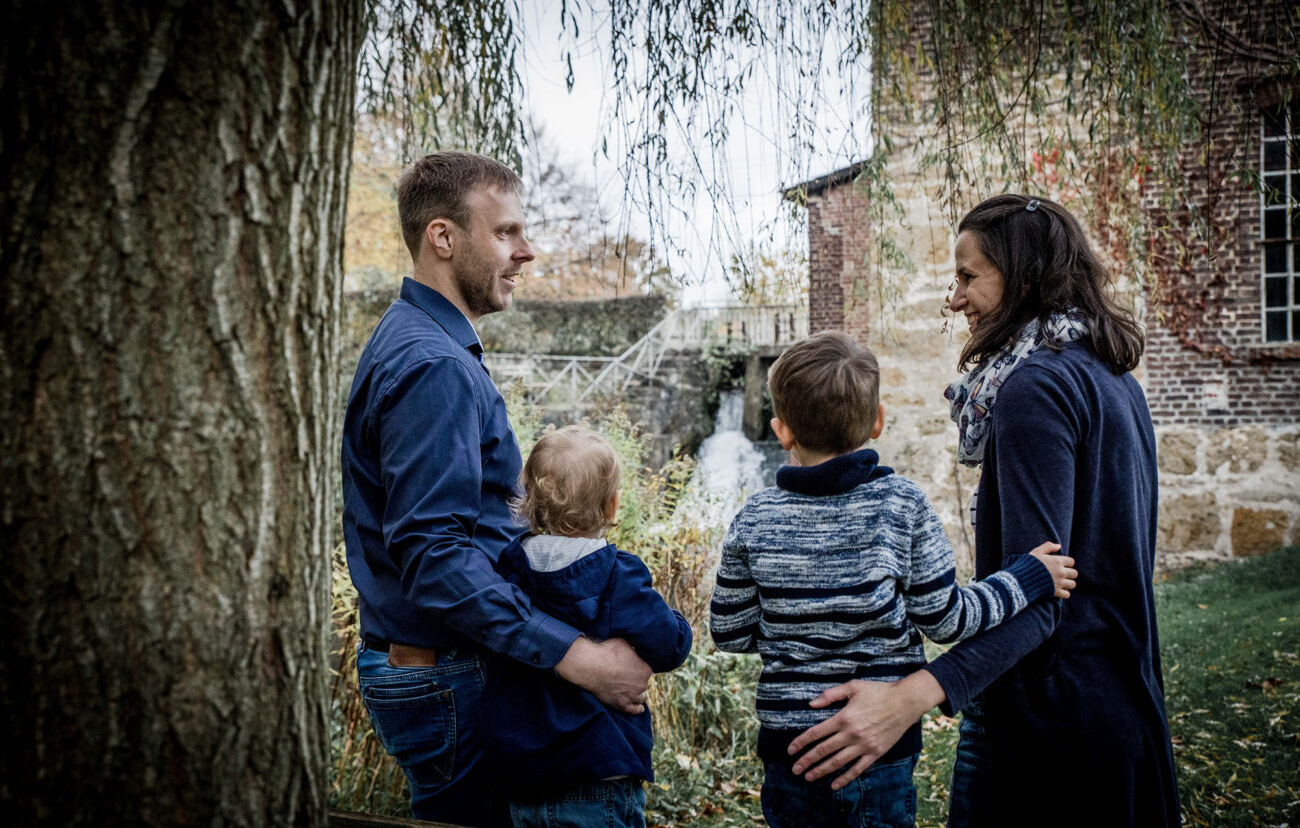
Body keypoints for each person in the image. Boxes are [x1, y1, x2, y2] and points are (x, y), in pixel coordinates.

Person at [786, 195, 1180, 827]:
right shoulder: (1114, 381)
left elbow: (1041, 594)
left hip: (1049, 728)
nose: (954, 298)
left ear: (1023, 276)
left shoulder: (1033, 390)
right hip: (1121, 706)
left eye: (968, 277)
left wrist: (908, 698)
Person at [340, 152, 653, 827]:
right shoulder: (434, 364)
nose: (527, 251)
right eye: (506, 231)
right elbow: (434, 554)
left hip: (439, 668)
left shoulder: (422, 343)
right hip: (449, 674)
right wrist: (576, 656)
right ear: (443, 237)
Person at [709, 330, 1077, 828]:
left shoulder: (753, 518)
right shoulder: (904, 505)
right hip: (880, 755)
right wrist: (1028, 578)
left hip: (789, 752)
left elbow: (729, 632)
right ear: (878, 422)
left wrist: (793, 623)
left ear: (782, 431)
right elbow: (947, 620)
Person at [484, 425, 693, 827]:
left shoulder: (509, 567)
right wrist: (680, 623)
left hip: (521, 776)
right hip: (597, 770)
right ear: (612, 507)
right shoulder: (619, 575)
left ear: (529, 502)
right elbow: (669, 646)